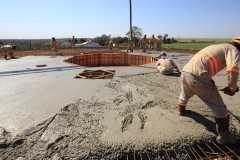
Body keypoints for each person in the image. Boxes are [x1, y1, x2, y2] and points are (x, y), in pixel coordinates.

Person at [178, 36, 240, 145]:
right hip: (198, 77)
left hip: (185, 73)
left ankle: (181, 111)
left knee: (185, 94)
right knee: (220, 109)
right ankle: (224, 138)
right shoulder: (233, 50)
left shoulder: (219, 46)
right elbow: (232, 70)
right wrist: (232, 89)